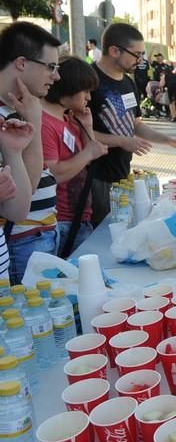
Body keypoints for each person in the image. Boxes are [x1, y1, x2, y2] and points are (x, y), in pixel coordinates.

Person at [88, 23, 176, 226]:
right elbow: (79, 132)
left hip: (122, 176)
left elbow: (135, 124)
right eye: (136, 54)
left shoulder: (129, 83)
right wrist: (121, 141)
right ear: (114, 50)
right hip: (95, 177)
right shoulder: (90, 80)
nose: (141, 60)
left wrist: (169, 140)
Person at [0, 22, 62, 283]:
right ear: (22, 63)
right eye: (51, 67)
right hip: (22, 241)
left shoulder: (19, 108)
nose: (56, 76)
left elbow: (26, 192)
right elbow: (28, 188)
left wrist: (34, 118)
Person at [41, 57, 109, 257]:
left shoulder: (67, 119)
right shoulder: (46, 124)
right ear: (68, 88)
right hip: (61, 221)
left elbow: (83, 160)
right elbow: (53, 173)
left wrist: (86, 126)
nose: (88, 97)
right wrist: (89, 152)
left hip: (79, 217)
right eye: (85, 91)